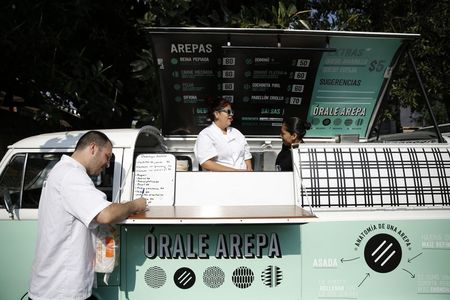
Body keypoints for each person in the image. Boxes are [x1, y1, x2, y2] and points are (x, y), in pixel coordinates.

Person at [28, 131, 147, 300]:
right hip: (61, 290)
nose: (107, 164)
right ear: (93, 148)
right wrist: (135, 205)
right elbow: (105, 214)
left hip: (58, 286)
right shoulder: (71, 176)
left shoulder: (64, 171)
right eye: (107, 156)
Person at [194, 99, 253, 171]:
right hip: (219, 179)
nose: (231, 115)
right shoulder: (206, 134)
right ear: (216, 114)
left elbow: (246, 155)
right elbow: (205, 162)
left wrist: (249, 172)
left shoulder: (236, 132)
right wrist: (235, 172)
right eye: (228, 112)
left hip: (243, 177)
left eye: (232, 112)